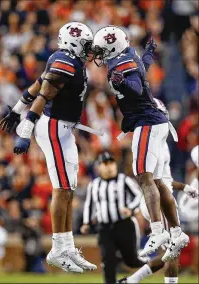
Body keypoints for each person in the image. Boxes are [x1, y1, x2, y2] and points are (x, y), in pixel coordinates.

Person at [0, 22, 97, 273]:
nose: (89, 50)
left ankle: (67, 245)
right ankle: (57, 248)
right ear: (73, 43)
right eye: (86, 45)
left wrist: (15, 109)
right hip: (54, 128)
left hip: (65, 129)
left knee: (69, 188)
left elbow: (36, 83)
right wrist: (25, 128)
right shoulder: (65, 62)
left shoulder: (65, 59)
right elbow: (43, 94)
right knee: (61, 188)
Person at [92, 26, 189, 261]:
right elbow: (141, 70)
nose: (99, 55)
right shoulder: (128, 55)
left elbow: (134, 88)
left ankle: (157, 232)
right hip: (151, 121)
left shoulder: (120, 64)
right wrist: (148, 55)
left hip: (147, 123)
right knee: (156, 180)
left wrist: (122, 84)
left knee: (143, 177)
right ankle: (176, 232)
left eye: (102, 50)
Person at [117, 100, 198, 284]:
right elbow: (159, 182)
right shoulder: (156, 142)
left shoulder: (149, 140)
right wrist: (184, 187)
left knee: (168, 251)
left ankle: (131, 281)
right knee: (172, 250)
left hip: (153, 198)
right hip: (159, 200)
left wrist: (184, 187)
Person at [81, 151, 168, 284]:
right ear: (99, 167)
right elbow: (89, 204)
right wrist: (86, 222)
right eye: (105, 164)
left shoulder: (124, 180)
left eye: (111, 163)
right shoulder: (94, 185)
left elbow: (138, 196)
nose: (109, 166)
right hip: (104, 228)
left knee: (132, 260)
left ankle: (150, 264)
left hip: (124, 225)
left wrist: (131, 209)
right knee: (107, 259)